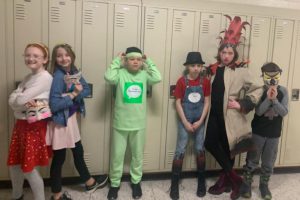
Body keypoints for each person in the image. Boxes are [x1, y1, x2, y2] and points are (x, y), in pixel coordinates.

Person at [204, 16, 263, 200]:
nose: (226, 55)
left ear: (234, 54)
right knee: (210, 143)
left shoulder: (241, 71)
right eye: (224, 52)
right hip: (213, 116)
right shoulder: (213, 70)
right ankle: (236, 179)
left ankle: (226, 180)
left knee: (228, 149)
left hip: (230, 117)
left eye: (230, 53)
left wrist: (242, 104)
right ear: (220, 53)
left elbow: (259, 87)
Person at [47, 43, 108, 200]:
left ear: (72, 56)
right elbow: (54, 106)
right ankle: (57, 195)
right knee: (60, 158)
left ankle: (90, 182)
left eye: (67, 55)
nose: (64, 58)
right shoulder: (58, 77)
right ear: (55, 59)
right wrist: (73, 94)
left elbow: (86, 89)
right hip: (61, 122)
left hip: (70, 120)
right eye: (59, 56)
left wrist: (76, 91)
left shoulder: (73, 72)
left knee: (77, 151)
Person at [104, 47, 161, 200]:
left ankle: (136, 182)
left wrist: (148, 61)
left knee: (137, 156)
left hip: (139, 124)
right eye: (131, 59)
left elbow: (157, 77)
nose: (135, 61)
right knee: (117, 156)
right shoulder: (120, 74)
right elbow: (109, 77)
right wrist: (117, 61)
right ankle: (114, 184)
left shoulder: (144, 75)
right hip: (120, 124)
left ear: (141, 61)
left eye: (138, 59)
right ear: (126, 60)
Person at [7, 43, 53, 200]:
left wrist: (19, 99)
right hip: (21, 125)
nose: (30, 58)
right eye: (27, 55)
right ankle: (17, 196)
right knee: (14, 164)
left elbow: (19, 100)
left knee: (28, 168)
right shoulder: (28, 77)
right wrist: (18, 99)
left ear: (45, 59)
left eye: (35, 56)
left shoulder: (45, 78)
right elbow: (13, 101)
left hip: (33, 126)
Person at [240, 62, 288, 200]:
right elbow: (259, 111)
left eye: (275, 76)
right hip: (258, 132)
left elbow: (284, 112)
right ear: (263, 76)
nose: (272, 80)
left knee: (268, 161)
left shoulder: (283, 91)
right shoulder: (259, 91)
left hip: (274, 134)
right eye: (268, 76)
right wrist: (268, 98)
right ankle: (247, 184)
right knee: (252, 159)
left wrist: (275, 100)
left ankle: (264, 185)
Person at [169, 52, 211, 199]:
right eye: (193, 65)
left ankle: (201, 181)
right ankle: (174, 183)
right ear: (187, 66)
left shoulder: (205, 82)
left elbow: (206, 102)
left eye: (199, 66)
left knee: (200, 149)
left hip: (200, 120)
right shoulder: (181, 81)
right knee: (180, 149)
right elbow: (178, 103)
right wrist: (185, 122)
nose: (196, 68)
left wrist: (200, 121)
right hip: (184, 120)